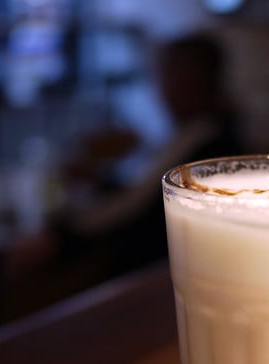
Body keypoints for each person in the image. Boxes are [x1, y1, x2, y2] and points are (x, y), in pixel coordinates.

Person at [58, 32, 244, 275]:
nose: (161, 87)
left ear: (193, 80)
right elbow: (141, 189)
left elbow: (136, 207)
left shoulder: (207, 147)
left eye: (167, 74)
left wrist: (61, 236)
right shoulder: (191, 132)